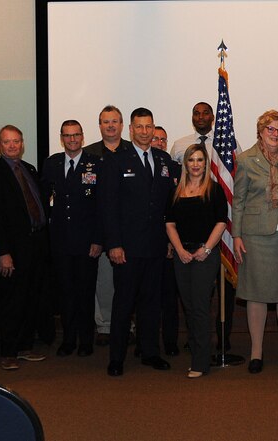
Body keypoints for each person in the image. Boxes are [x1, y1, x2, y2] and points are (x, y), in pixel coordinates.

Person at [100, 107, 177, 376]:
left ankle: (150, 353)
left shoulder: (164, 159)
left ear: (154, 128)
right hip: (127, 248)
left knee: (151, 303)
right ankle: (116, 358)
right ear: (130, 129)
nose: (145, 132)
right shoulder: (115, 160)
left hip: (156, 246)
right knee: (124, 304)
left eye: (149, 127)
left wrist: (169, 240)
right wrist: (114, 244)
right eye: (139, 127)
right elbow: (108, 206)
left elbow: (168, 205)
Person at [231, 109, 278, 374]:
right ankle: (256, 351)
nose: (274, 134)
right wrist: (236, 235)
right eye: (269, 129)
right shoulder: (245, 159)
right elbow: (238, 201)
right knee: (256, 294)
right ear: (260, 131)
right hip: (255, 235)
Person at [0, 125, 49, 370]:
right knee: (12, 301)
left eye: (16, 141)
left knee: (32, 297)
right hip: (13, 249)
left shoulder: (30, 169)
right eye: (7, 142)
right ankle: (8, 352)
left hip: (37, 244)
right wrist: (4, 252)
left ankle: (25, 347)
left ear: (22, 144)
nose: (12, 146)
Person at [165, 144, 228, 378]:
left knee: (200, 308)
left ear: (206, 163)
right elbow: (169, 223)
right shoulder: (176, 191)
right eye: (191, 160)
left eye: (200, 160)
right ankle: (196, 353)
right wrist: (180, 249)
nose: (195, 164)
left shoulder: (214, 190)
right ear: (185, 164)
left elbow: (221, 222)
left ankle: (201, 362)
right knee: (189, 307)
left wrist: (207, 249)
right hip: (182, 255)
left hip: (205, 256)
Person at [42, 120, 102, 358]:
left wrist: (98, 239)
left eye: (76, 135)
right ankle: (68, 339)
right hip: (61, 242)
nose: (72, 139)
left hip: (88, 242)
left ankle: (86, 340)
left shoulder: (95, 163)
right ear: (61, 138)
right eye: (67, 136)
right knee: (66, 293)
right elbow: (44, 202)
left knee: (85, 293)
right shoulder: (52, 163)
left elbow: (101, 206)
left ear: (83, 137)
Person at [84, 105, 131, 347]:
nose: (110, 125)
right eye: (105, 122)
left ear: (122, 125)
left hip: (128, 229)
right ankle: (104, 326)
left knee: (127, 282)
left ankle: (128, 325)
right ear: (100, 125)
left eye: (115, 121)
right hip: (98, 227)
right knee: (104, 280)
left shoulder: (132, 152)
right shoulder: (88, 154)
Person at [151, 125, 182, 356]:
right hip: (145, 243)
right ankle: (146, 343)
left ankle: (170, 342)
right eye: (155, 139)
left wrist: (173, 241)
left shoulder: (174, 169)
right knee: (147, 297)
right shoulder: (138, 167)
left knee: (170, 297)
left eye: (163, 139)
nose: (160, 143)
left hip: (171, 242)